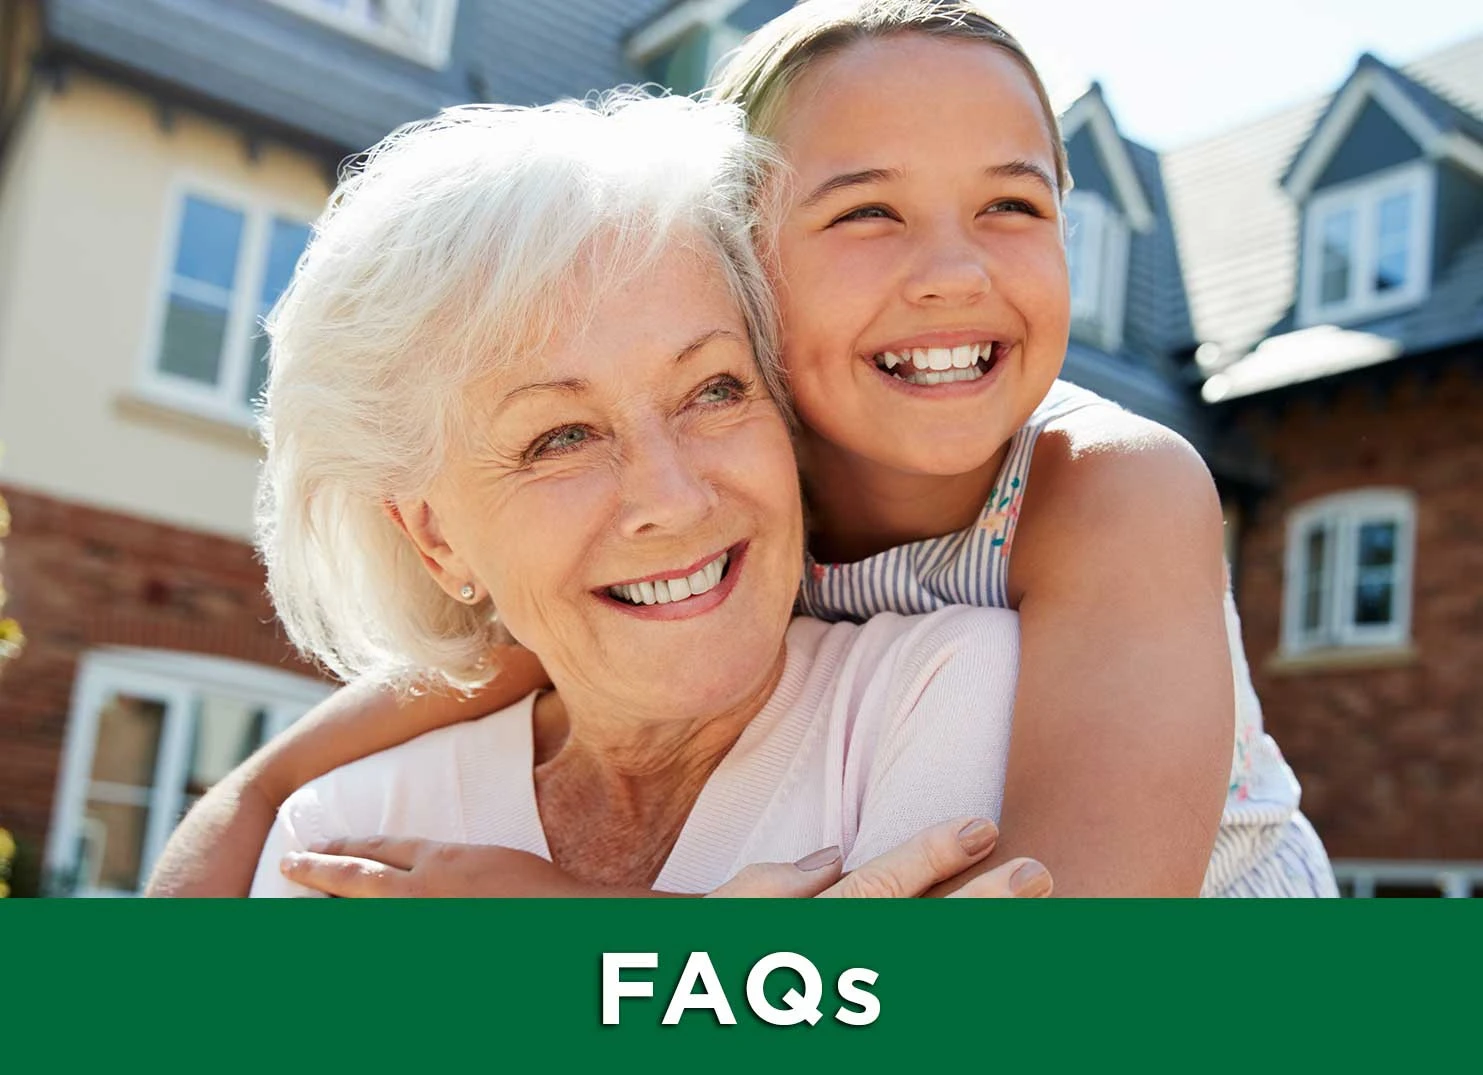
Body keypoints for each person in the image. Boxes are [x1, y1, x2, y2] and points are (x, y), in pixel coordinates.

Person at [154, 0, 1317, 899]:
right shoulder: (749, 488)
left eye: (1014, 206)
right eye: (868, 212)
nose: (956, 273)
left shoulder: (1112, 487)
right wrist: (248, 800)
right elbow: (500, 648)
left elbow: (1077, 964)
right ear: (749, 269)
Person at [242, 92, 1053, 899]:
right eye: (560, 437)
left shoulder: (950, 688)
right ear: (434, 539)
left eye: (713, 390)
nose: (673, 497)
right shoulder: (336, 836)